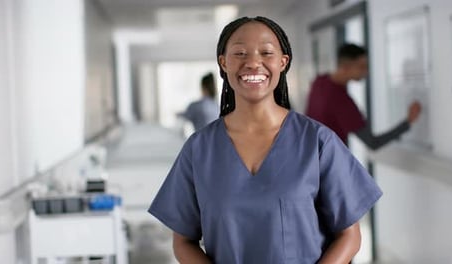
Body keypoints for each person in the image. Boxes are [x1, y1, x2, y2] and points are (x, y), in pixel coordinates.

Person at [149, 17, 382, 264]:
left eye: (266, 52)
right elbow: (183, 241)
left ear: (283, 62)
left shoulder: (318, 142)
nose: (252, 63)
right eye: (239, 53)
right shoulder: (199, 149)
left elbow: (349, 235)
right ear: (223, 62)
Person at [305, 43, 422, 149]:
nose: (366, 72)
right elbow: (373, 143)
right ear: (346, 67)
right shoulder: (342, 101)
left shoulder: (319, 82)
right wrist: (408, 121)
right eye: (361, 67)